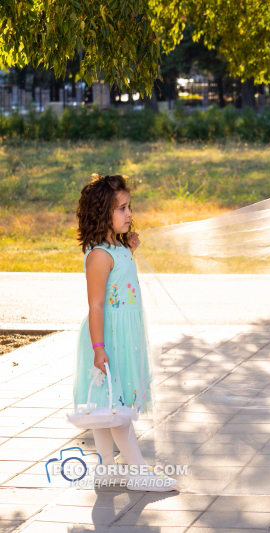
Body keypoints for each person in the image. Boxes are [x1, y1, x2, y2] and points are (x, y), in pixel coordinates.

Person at [74, 173, 177, 492]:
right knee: (116, 409)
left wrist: (129, 247)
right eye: (122, 208)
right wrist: (98, 347)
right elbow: (96, 305)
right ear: (102, 213)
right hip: (108, 338)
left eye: (129, 206)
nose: (130, 213)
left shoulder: (118, 248)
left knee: (107, 405)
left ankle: (107, 468)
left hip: (126, 337)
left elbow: (122, 278)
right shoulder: (99, 255)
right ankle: (139, 472)